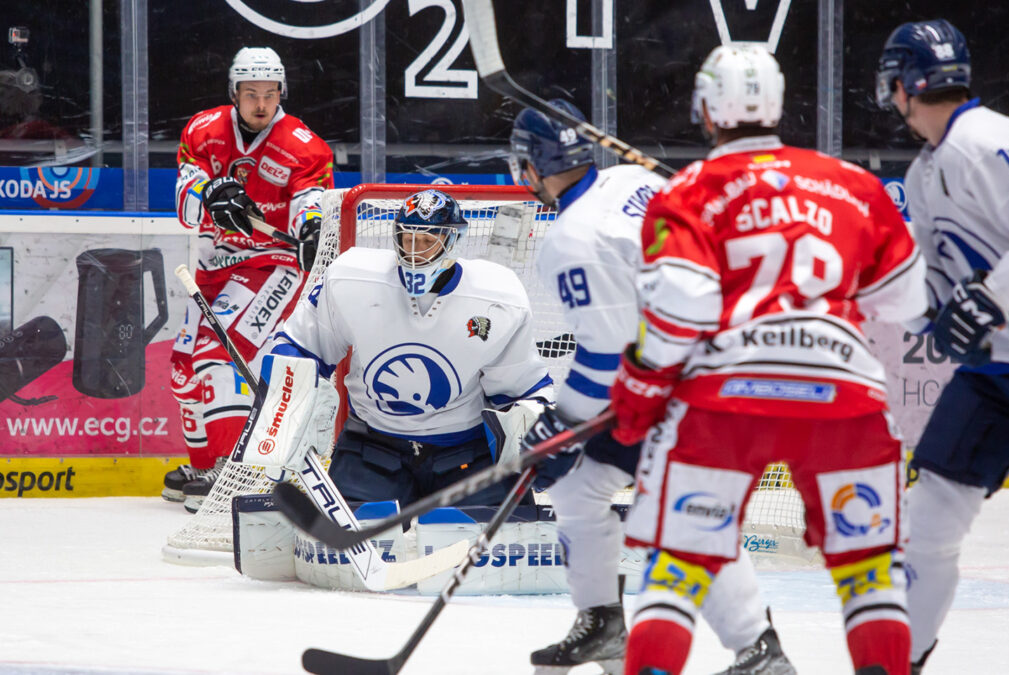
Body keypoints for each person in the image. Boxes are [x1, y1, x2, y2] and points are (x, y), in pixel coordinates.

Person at [612, 44, 928, 675]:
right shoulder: (854, 185)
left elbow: (682, 310)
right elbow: (906, 299)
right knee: (871, 578)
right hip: (844, 399)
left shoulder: (688, 192)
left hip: (728, 400)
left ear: (706, 109)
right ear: (779, 106)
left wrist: (638, 395)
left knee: (677, 572)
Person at [511, 100, 793, 675]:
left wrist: (558, 422)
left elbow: (609, 351)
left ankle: (761, 649)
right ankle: (604, 625)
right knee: (578, 488)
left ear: (532, 167)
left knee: (681, 514)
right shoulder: (631, 177)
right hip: (695, 363)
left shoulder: (571, 239)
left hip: (695, 384)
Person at [875, 19, 1009, 672]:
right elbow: (938, 295)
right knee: (928, 518)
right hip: (997, 371)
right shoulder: (928, 169)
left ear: (905, 83)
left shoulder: (991, 139)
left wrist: (988, 299)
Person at [269, 188, 553, 507]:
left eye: (428, 240)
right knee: (341, 547)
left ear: (453, 241)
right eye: (408, 238)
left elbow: (520, 390)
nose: (415, 251)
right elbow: (300, 348)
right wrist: (281, 417)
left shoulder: (497, 297)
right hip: (372, 448)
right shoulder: (352, 279)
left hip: (468, 455)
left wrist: (541, 438)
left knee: (498, 544)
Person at [163, 46, 333, 512]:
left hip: (270, 266)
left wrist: (312, 228)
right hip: (213, 265)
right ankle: (200, 466)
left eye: (270, 93)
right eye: (251, 93)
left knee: (216, 352)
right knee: (182, 372)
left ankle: (229, 470)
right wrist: (208, 192)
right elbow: (184, 203)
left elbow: (310, 202)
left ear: (282, 92)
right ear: (234, 93)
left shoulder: (303, 145)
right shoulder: (202, 131)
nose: (261, 103)